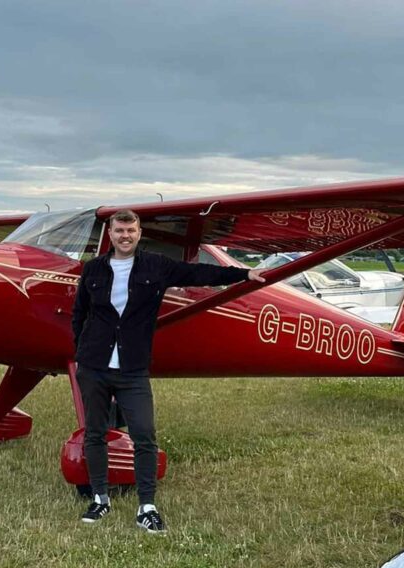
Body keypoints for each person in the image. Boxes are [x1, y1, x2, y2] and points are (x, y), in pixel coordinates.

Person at [71, 209, 265, 532]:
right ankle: (100, 498)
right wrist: (81, 353)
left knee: (144, 435)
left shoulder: (156, 266)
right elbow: (79, 314)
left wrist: (242, 275)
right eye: (119, 230)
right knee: (95, 434)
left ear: (138, 233)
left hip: (132, 369)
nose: (125, 236)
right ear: (110, 233)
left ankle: (146, 506)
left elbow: (198, 273)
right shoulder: (93, 269)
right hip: (94, 367)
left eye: (131, 230)